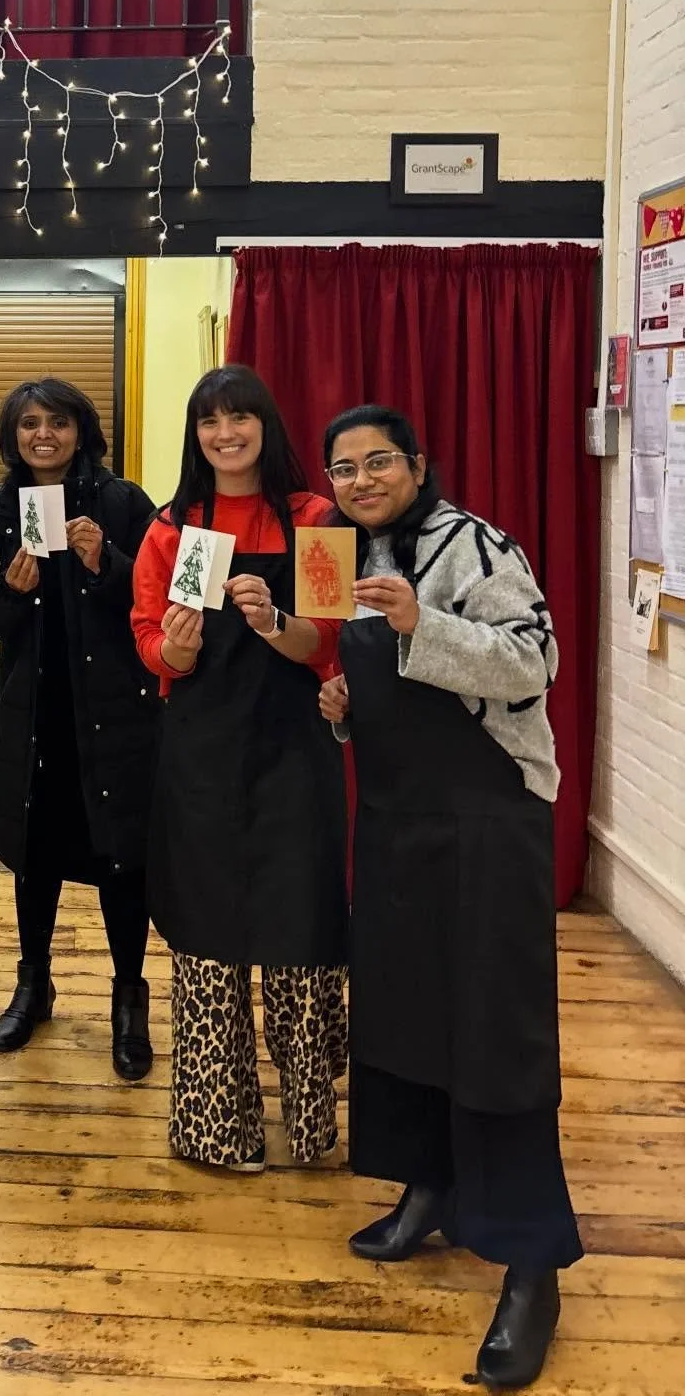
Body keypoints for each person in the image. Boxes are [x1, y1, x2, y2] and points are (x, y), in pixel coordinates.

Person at [319, 405, 580, 1391]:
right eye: (344, 467)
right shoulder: (344, 555)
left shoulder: (476, 545)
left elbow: (532, 663)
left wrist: (422, 623)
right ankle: (429, 1188)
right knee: (407, 1014)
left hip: (484, 819)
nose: (360, 479)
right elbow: (379, 685)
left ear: (417, 464)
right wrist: (345, 713)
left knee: (494, 1029)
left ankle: (530, 1263)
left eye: (378, 460)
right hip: (394, 820)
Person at [132, 364, 348, 1170]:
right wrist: (175, 650)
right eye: (210, 421)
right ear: (196, 436)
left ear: (266, 424)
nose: (226, 433)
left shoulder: (317, 517)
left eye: (241, 417)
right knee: (211, 931)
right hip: (202, 757)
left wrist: (274, 622)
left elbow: (329, 640)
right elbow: (150, 637)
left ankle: (309, 1122)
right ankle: (217, 1126)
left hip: (294, 751)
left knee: (297, 925)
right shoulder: (171, 526)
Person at [0, 378, 160, 1077]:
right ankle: (33, 981)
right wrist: (11, 592)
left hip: (114, 713)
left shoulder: (122, 501)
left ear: (83, 430)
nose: (43, 435)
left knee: (121, 859)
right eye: (29, 425)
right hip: (33, 711)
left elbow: (155, 595)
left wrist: (104, 560)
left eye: (58, 423)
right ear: (13, 435)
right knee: (34, 851)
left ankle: (128, 997)